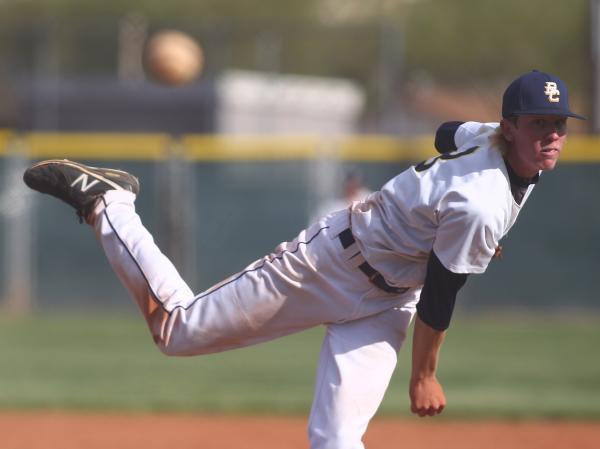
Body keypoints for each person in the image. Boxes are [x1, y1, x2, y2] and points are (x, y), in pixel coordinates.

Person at [23, 70, 584, 449]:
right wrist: (425, 376)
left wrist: (440, 218)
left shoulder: (500, 147)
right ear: (509, 126)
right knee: (176, 330)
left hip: (386, 302)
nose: (552, 136)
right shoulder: (482, 198)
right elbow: (442, 295)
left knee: (338, 441)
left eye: (558, 126)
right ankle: (109, 202)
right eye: (538, 124)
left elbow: (444, 135)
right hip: (327, 266)